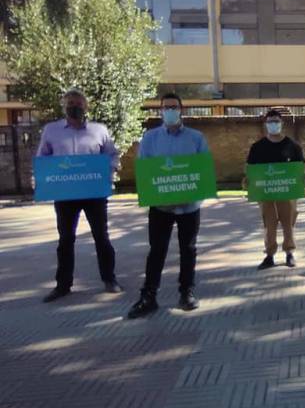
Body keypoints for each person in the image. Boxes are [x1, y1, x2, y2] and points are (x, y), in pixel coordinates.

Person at [127, 93, 209, 318]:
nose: (170, 111)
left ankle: (187, 292)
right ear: (160, 111)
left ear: (181, 110)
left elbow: (204, 170)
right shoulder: (150, 139)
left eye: (174, 107)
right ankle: (149, 296)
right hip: (161, 207)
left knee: (188, 249)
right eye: (166, 107)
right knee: (157, 251)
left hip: (189, 206)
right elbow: (145, 171)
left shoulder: (196, 138)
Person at [37, 88, 121, 302]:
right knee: (65, 240)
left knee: (101, 237)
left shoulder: (99, 130)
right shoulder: (51, 131)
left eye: (78, 103)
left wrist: (108, 172)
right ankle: (63, 285)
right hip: (65, 194)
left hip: (94, 193)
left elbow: (112, 155)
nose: (74, 106)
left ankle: (109, 279)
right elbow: (43, 159)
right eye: (70, 103)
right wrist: (42, 180)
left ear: (86, 107)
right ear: (64, 107)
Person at [246, 109, 305, 270]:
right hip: (266, 194)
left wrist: (301, 180)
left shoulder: (293, 146)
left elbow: (302, 167)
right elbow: (250, 168)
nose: (273, 124)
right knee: (269, 224)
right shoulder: (257, 147)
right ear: (266, 124)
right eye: (270, 121)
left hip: (287, 193)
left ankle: (289, 253)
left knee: (288, 223)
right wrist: (249, 182)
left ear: (281, 123)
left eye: (276, 121)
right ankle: (269, 255)